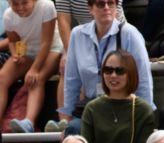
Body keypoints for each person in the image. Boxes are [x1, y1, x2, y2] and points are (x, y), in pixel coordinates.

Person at [59, 0, 152, 136]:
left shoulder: (129, 34)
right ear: (90, 9)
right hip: (91, 107)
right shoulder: (77, 35)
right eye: (101, 4)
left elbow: (143, 78)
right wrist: (66, 118)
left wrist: (146, 116)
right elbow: (72, 81)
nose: (106, 8)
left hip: (122, 105)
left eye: (111, 3)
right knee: (73, 131)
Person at [47, 0, 125, 132]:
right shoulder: (78, 34)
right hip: (84, 35)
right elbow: (63, 20)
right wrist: (70, 53)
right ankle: (65, 121)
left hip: (113, 30)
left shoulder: (127, 33)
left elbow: (113, 10)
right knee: (66, 66)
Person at [0, 0, 63, 133]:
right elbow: (13, 40)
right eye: (15, 4)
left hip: (52, 49)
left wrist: (34, 69)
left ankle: (29, 122)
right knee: (0, 78)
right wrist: (16, 55)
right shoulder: (8, 15)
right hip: (28, 52)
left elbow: (46, 42)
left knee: (37, 78)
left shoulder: (46, 6)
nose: (20, 8)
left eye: (24, 3)